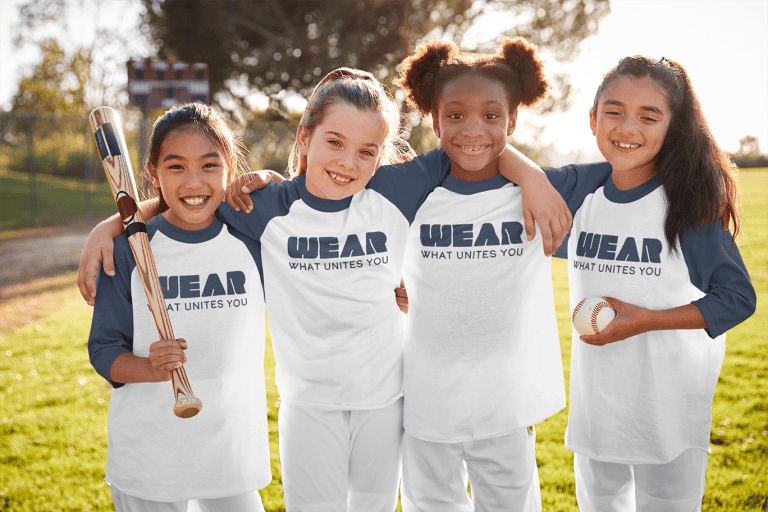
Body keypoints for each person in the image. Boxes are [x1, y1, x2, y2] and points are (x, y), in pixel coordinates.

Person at [80, 69, 569, 512]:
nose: (347, 162)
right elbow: (189, 199)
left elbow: (474, 142)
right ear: (306, 136)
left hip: (386, 400)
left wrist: (532, 177)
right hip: (309, 405)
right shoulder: (265, 206)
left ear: (382, 154)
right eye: (334, 142)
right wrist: (116, 224)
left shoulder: (394, 191)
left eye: (366, 151)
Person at [391, 37, 613, 512]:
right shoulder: (409, 190)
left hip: (506, 404)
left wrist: (531, 176)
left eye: (492, 116)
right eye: (455, 115)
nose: (473, 128)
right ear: (433, 119)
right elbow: (331, 183)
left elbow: (638, 168)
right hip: (425, 399)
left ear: (513, 120)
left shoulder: (548, 190)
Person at [561, 55, 756, 511]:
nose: (627, 127)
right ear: (592, 120)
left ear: (674, 127)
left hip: (667, 408)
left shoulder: (687, 205)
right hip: (596, 409)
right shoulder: (579, 191)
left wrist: (644, 320)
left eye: (649, 116)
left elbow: (737, 299)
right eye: (614, 111)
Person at [87, 103, 272, 511]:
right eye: (176, 167)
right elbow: (103, 351)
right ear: (152, 174)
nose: (194, 182)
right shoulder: (127, 250)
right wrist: (148, 369)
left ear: (230, 168)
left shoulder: (252, 239)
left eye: (209, 165)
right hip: (150, 454)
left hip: (230, 444)